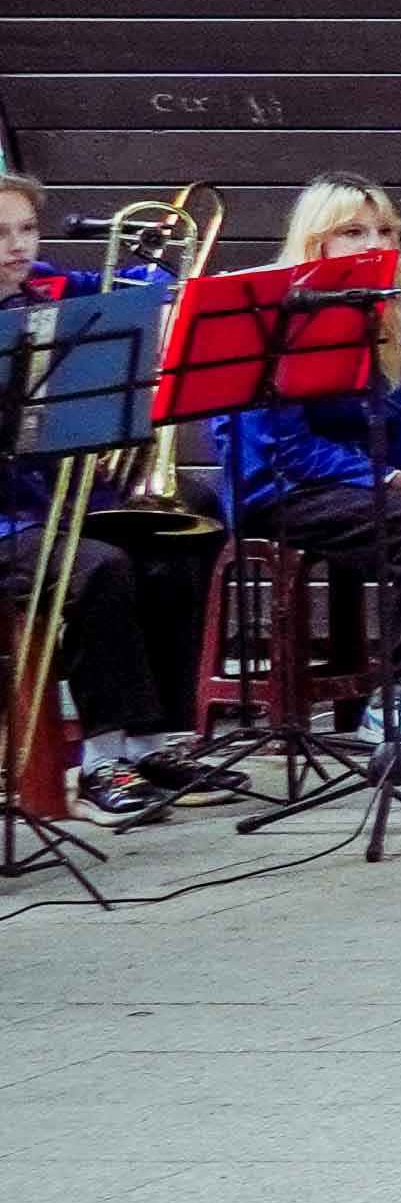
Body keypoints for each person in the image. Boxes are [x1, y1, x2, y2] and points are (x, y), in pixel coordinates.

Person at [220, 175, 401, 733]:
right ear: (315, 240)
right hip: (280, 490)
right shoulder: (274, 313)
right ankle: (400, 701)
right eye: (353, 232)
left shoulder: (373, 309)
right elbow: (289, 451)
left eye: (385, 232)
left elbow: (396, 416)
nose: (376, 245)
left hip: (351, 482)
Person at [0, 175, 207, 804]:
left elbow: (141, 289)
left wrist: (161, 278)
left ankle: (153, 743)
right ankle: (101, 761)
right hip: (8, 521)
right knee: (99, 569)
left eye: (27, 229)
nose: (18, 246)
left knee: (177, 540)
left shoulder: (46, 288)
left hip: (55, 503)